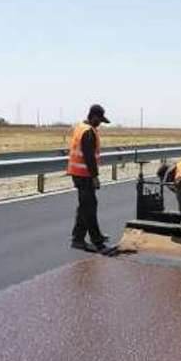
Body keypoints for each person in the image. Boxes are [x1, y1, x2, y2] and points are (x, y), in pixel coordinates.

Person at [67, 104, 113, 254]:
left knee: (87, 206)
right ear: (93, 116)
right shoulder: (88, 132)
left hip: (78, 173)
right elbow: (89, 158)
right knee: (88, 207)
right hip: (84, 175)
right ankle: (87, 240)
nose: (100, 123)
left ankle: (87, 238)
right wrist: (95, 177)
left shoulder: (81, 127)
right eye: (99, 120)